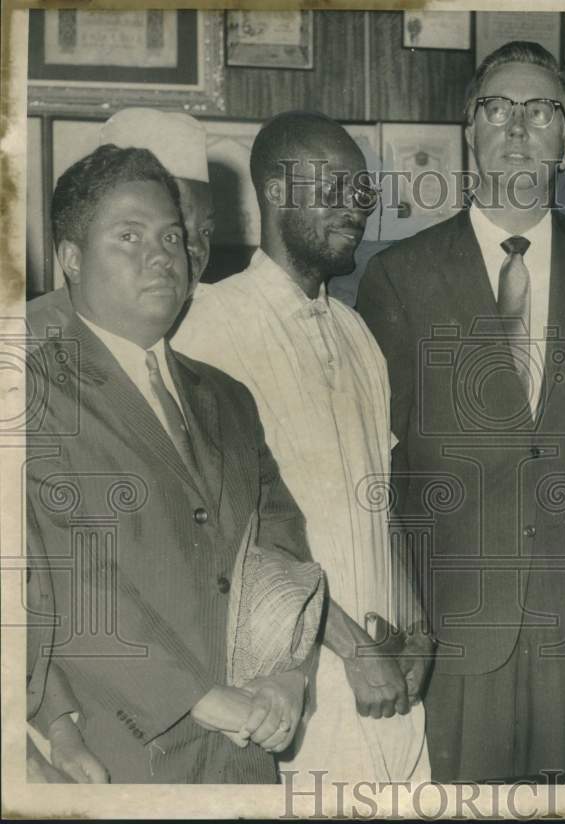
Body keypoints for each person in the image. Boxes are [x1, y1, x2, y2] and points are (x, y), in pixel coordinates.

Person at [356, 41, 565, 781]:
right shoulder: (399, 276)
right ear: (470, 132)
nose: (517, 125)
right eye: (497, 107)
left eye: (541, 110)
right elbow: (380, 466)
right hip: (454, 626)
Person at [26, 144, 311, 783]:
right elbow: (66, 577)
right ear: (70, 259)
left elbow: (281, 545)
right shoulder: (31, 387)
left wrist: (289, 674)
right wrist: (201, 697)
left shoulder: (228, 398)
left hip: (243, 760)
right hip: (119, 754)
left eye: (172, 237)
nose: (161, 255)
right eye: (128, 236)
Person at [172, 111, 431, 783]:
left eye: (363, 192)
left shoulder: (356, 332)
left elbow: (383, 498)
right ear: (277, 192)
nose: (357, 207)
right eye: (335, 186)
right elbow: (235, 537)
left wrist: (417, 627)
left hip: (387, 675)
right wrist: (350, 650)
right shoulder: (211, 325)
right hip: (293, 685)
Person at [27, 108, 215, 336]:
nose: (195, 247)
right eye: (179, 229)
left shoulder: (220, 322)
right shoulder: (29, 339)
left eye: (205, 231)